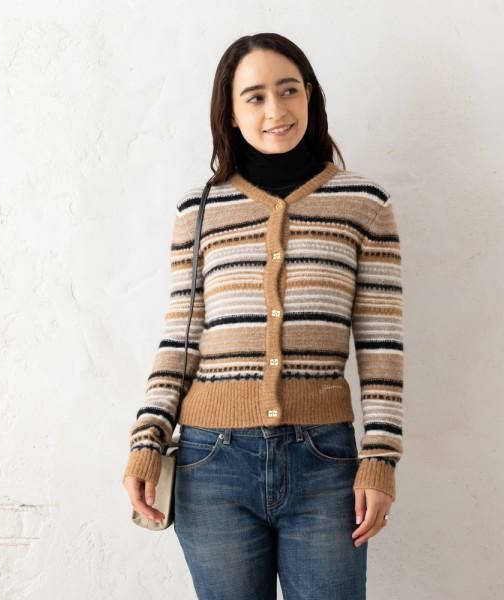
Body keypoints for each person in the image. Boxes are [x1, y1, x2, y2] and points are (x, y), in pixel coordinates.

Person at [123, 32, 404, 600]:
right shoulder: (199, 210)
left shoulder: (364, 204)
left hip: (324, 460)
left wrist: (380, 458)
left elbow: (382, 349)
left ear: (310, 96)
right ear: (230, 111)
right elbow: (180, 340)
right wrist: (146, 440)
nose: (276, 109)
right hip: (211, 462)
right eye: (254, 96)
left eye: (289, 90)